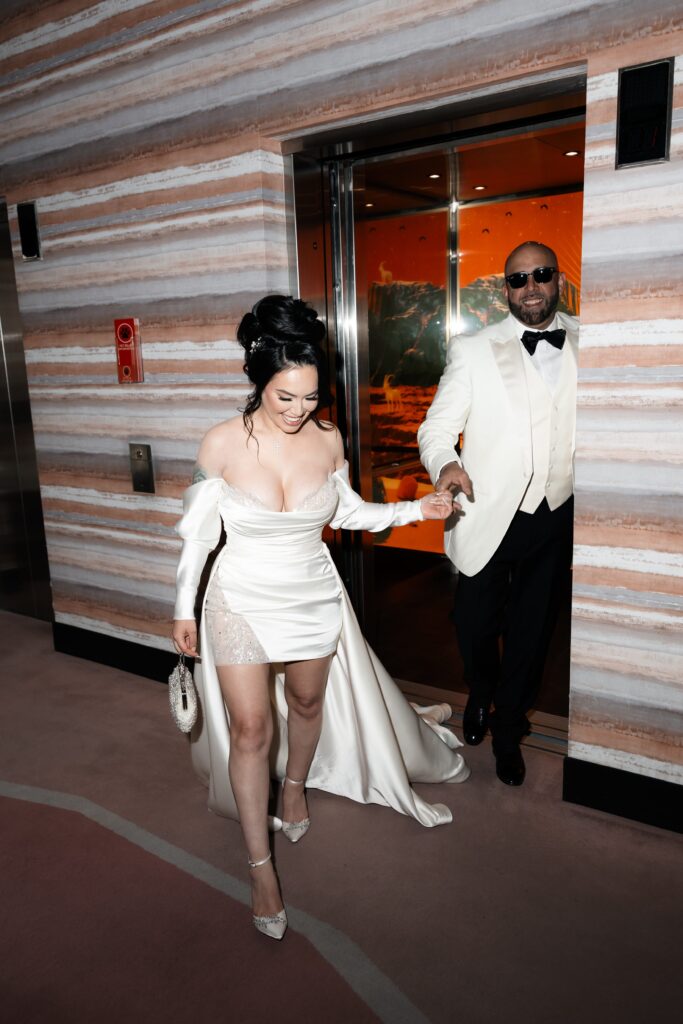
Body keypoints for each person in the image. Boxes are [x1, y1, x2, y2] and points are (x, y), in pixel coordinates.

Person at [172, 295, 469, 941]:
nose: (300, 410)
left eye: (309, 397)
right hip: (239, 599)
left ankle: (297, 788)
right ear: (259, 379)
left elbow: (349, 515)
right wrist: (183, 609)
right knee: (251, 732)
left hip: (312, 594)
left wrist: (415, 511)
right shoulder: (221, 442)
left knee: (306, 708)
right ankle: (260, 869)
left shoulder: (329, 438)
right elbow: (198, 537)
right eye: (285, 397)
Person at [418, 241, 578, 787]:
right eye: (518, 279)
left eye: (541, 275)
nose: (530, 286)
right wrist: (445, 466)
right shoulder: (474, 349)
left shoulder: (590, 340)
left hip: (555, 515)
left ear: (558, 279)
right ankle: (481, 689)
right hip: (485, 510)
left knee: (533, 634)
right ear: (503, 289)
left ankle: (510, 730)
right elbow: (435, 430)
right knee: (473, 626)